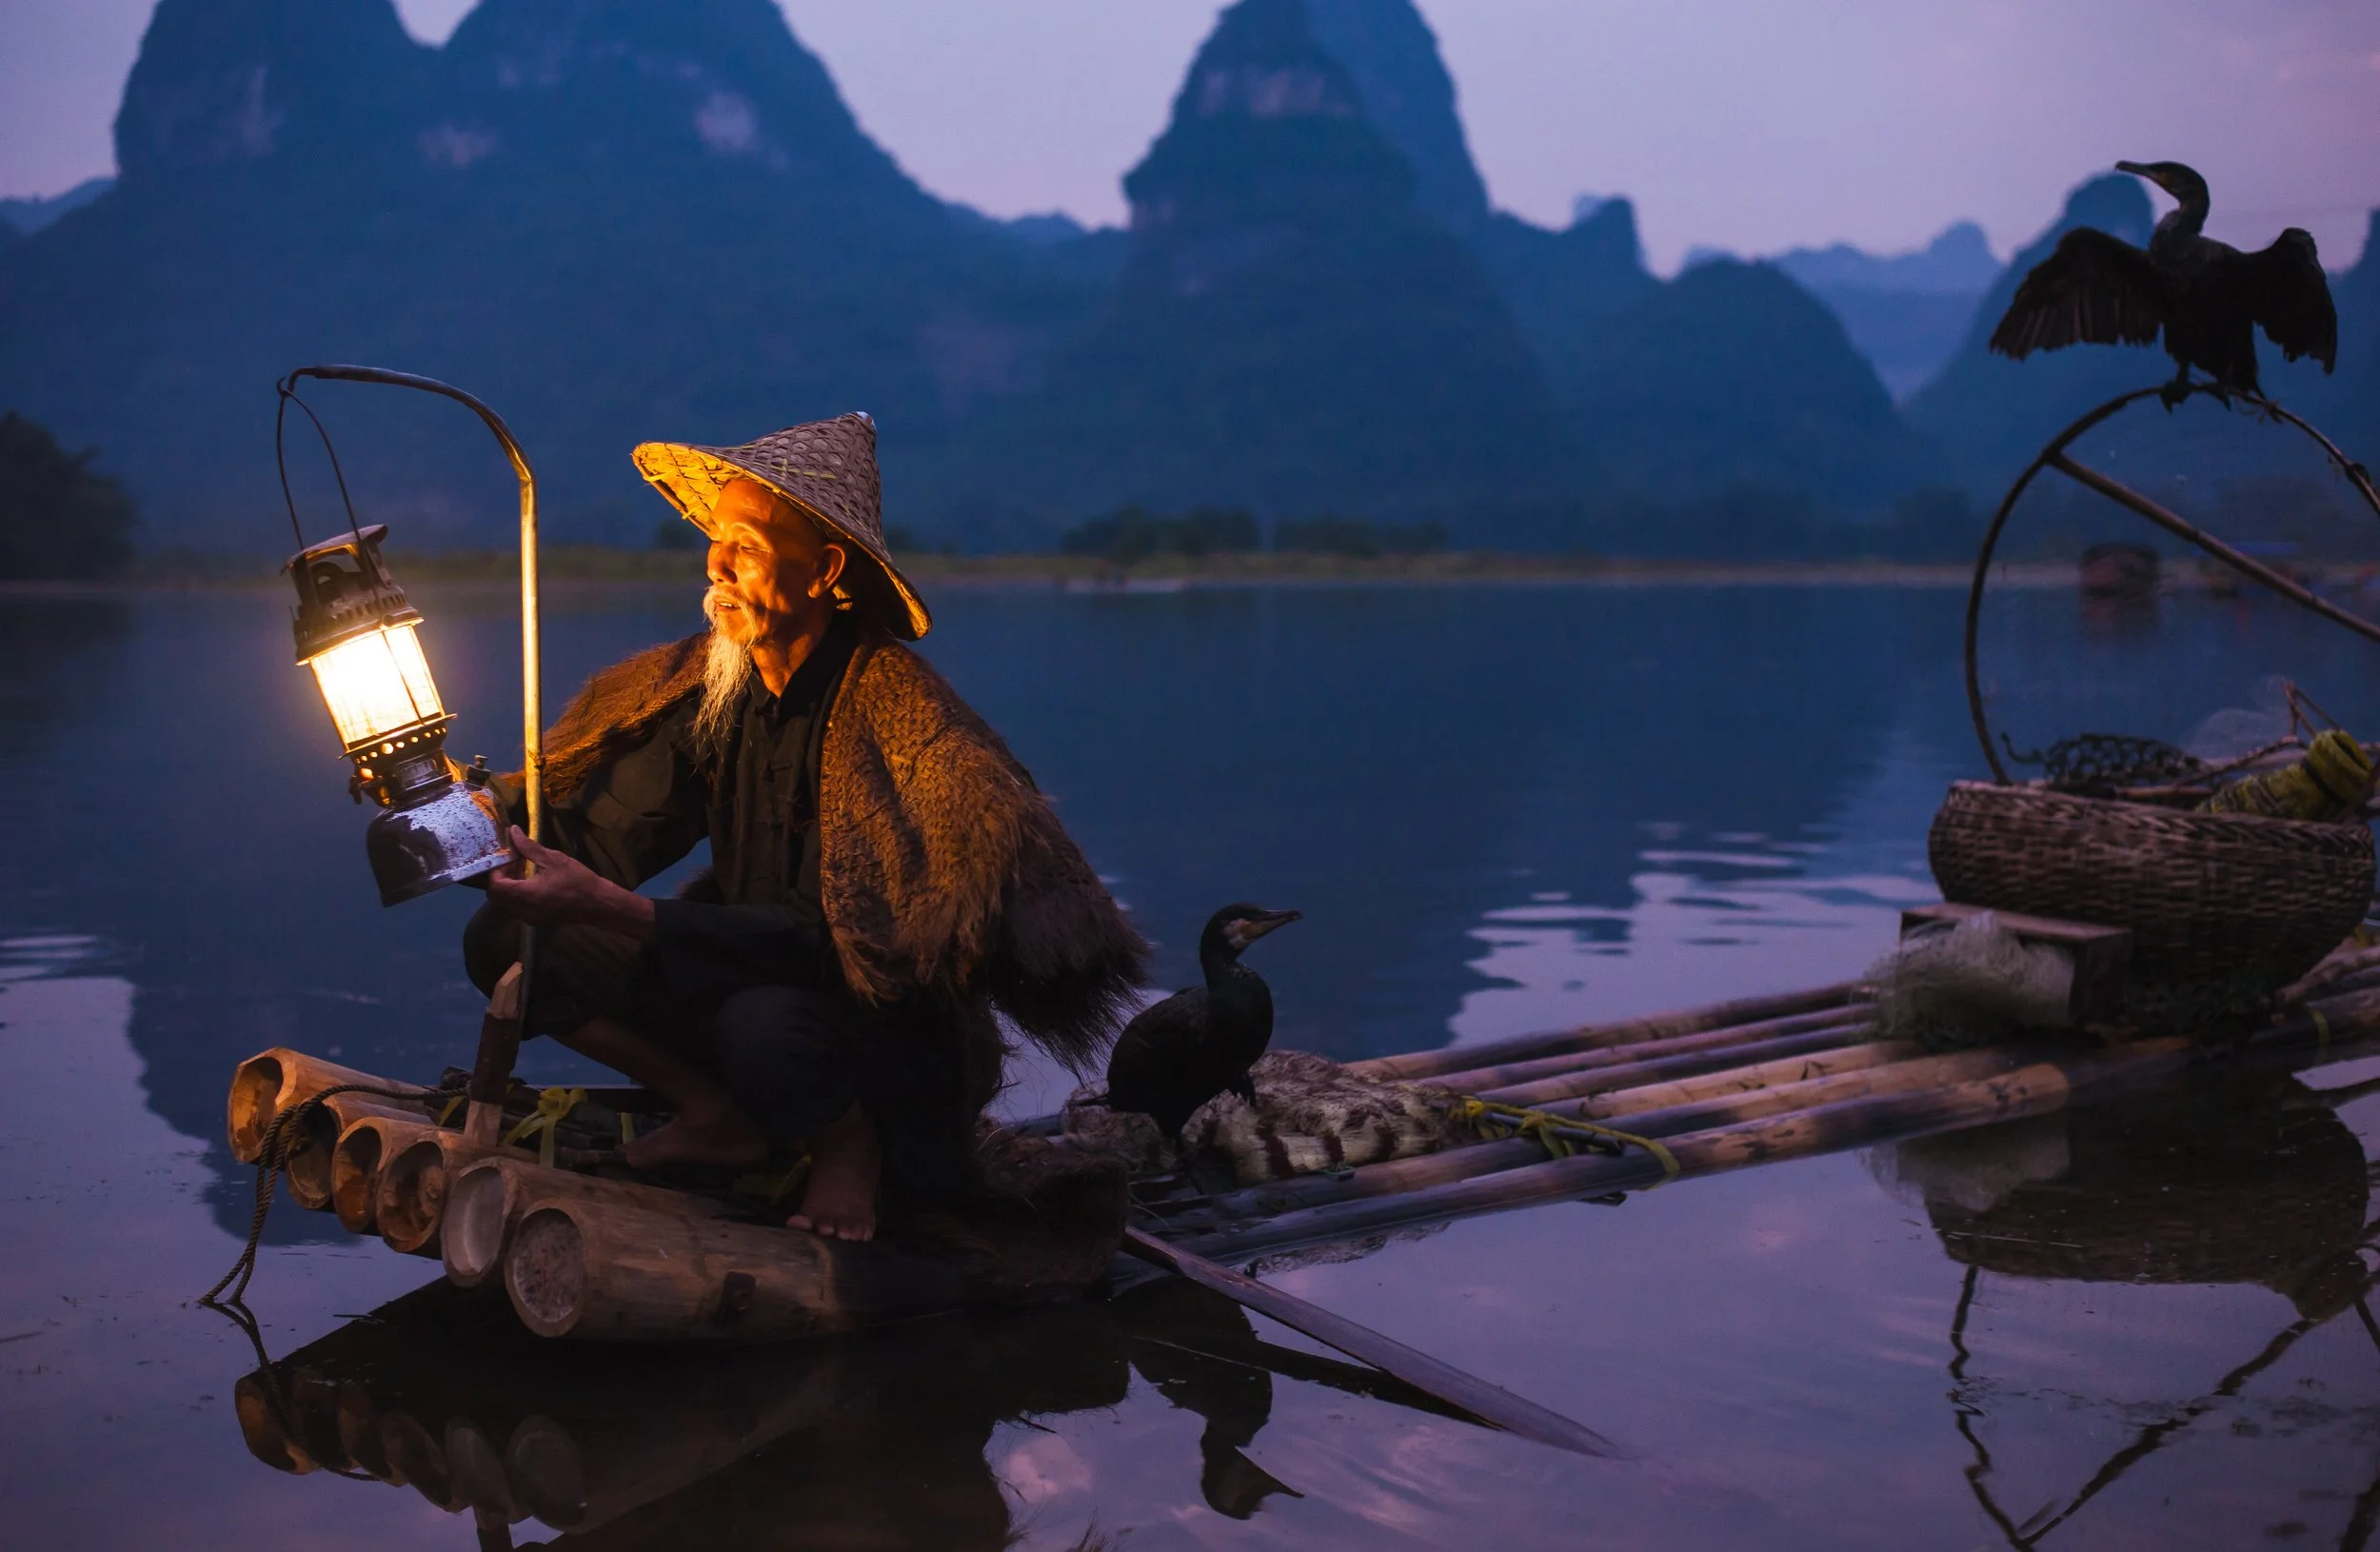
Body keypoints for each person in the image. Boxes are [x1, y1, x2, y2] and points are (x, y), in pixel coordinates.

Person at [464, 412, 1146, 1240]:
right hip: (742, 988)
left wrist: (617, 910)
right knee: (507, 937)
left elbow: (849, 951)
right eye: (715, 542)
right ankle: (715, 1115)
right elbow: (606, 836)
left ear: (823, 571)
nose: (716, 565)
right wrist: (490, 833)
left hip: (877, 1042)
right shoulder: (712, 691)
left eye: (745, 546)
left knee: (764, 1026)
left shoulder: (903, 727)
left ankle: (846, 1147)